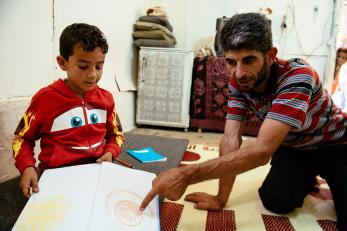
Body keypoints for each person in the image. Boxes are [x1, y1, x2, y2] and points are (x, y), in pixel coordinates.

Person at [140, 13, 347, 230]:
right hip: (294, 148)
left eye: (248, 60)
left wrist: (185, 175)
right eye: (231, 62)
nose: (239, 73)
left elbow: (261, 152)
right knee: (276, 202)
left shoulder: (297, 76)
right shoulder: (239, 82)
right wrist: (220, 199)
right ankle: (308, 176)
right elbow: (230, 138)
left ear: (270, 55)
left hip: (336, 145)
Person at [12, 23, 124, 198]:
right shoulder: (45, 99)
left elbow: (116, 134)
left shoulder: (106, 99)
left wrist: (110, 152)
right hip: (54, 179)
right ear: (62, 63)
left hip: (96, 174)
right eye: (83, 66)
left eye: (99, 66)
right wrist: (27, 167)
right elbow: (22, 139)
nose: (93, 75)